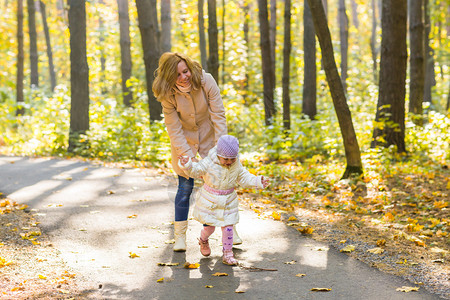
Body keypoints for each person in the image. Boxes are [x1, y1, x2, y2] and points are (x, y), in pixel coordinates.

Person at [152, 52, 242, 252]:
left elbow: (218, 114)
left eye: (185, 71)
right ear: (169, 78)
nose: (184, 77)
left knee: (219, 187)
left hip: (210, 137)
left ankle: (230, 229)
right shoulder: (167, 94)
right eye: (178, 75)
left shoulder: (205, 80)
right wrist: (186, 155)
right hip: (183, 142)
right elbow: (173, 127)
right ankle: (180, 238)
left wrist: (221, 149)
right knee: (185, 187)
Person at [179, 135, 270, 265]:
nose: (229, 162)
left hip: (228, 201)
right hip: (210, 200)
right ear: (218, 155)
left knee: (228, 227)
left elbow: (244, 177)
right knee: (209, 228)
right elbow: (195, 170)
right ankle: (203, 240)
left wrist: (257, 181)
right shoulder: (209, 162)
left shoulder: (236, 164)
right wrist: (187, 165)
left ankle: (227, 254)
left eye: (232, 159)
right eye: (225, 159)